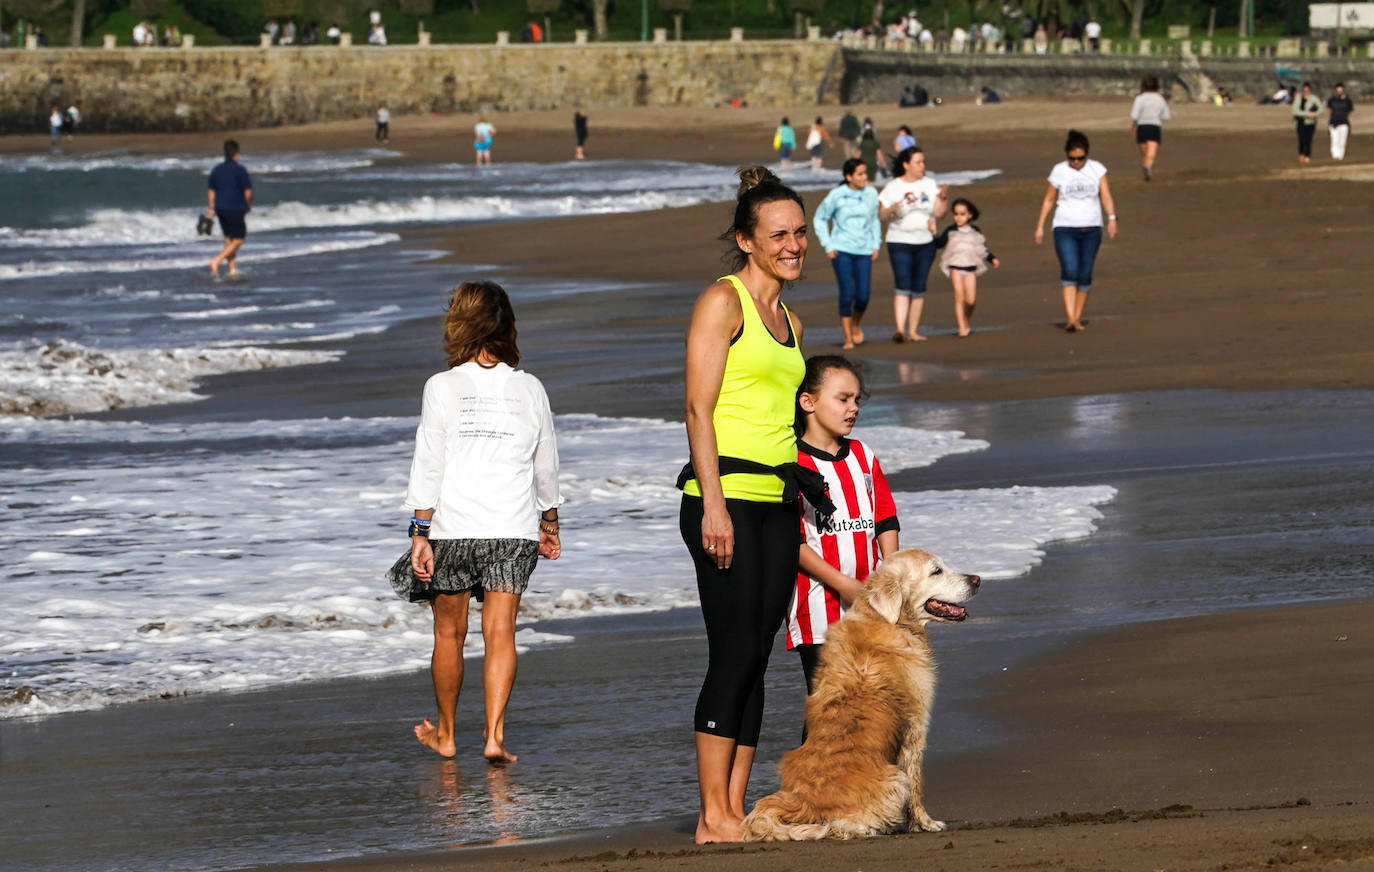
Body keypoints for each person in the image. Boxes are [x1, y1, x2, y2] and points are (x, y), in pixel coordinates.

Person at [679, 166, 809, 844]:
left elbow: (782, 415)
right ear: (747, 241)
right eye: (778, 235)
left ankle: (735, 805)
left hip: (777, 503)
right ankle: (712, 815)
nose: (792, 244)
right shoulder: (722, 301)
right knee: (732, 652)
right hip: (722, 499)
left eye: (798, 233)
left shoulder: (788, 316)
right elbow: (699, 409)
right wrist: (715, 509)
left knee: (760, 654)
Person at [390, 280, 562, 764]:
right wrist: (549, 521)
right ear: (507, 327)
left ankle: (446, 736)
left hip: (453, 528)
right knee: (501, 633)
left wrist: (419, 532)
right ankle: (494, 738)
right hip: (510, 527)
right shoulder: (529, 387)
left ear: (459, 324)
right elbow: (545, 463)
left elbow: (429, 462)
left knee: (449, 635)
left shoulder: (441, 387)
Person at [787, 355, 898, 693]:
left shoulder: (862, 455)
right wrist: (844, 585)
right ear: (808, 401)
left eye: (856, 400)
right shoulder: (792, 462)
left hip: (874, 605)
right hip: (821, 610)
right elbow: (793, 541)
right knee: (831, 711)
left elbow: (885, 518)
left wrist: (889, 573)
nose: (853, 408)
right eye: (842, 399)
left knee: (874, 704)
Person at [1034, 129, 1117, 333]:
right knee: (1070, 270)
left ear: (1087, 154)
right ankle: (1071, 318)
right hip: (1065, 228)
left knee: (1085, 274)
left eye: (1081, 158)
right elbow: (1049, 199)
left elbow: (1105, 195)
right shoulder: (1059, 170)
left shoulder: (1097, 169)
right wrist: (1040, 226)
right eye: (1073, 159)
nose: (1077, 163)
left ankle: (1077, 316)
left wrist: (1112, 218)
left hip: (1092, 228)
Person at [879, 146, 948, 342]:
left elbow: (940, 213)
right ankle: (900, 329)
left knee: (919, 286)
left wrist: (943, 198)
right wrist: (892, 208)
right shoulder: (894, 187)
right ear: (906, 164)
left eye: (923, 161)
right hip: (899, 240)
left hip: (925, 241)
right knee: (903, 284)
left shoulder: (929, 184)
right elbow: (881, 215)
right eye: (918, 162)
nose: (922, 166)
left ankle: (914, 330)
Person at [814, 158, 881, 349]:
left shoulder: (871, 193)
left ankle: (856, 323)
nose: (864, 177)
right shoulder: (837, 195)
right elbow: (820, 218)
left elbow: (874, 220)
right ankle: (848, 338)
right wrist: (827, 244)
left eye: (865, 173)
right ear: (848, 176)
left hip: (864, 250)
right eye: (859, 174)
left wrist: (876, 244)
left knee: (863, 295)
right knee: (847, 294)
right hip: (841, 249)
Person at [935, 197, 999, 337]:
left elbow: (982, 249)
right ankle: (962, 327)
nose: (958, 217)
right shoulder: (951, 230)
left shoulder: (976, 231)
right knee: (959, 297)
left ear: (969, 215)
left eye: (962, 214)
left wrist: (992, 259)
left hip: (970, 268)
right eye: (956, 214)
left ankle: (965, 319)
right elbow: (940, 244)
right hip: (954, 266)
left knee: (971, 301)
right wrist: (933, 233)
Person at [205, 139, 254, 277]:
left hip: (220, 208)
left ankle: (232, 269)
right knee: (239, 239)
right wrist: (248, 205)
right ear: (237, 154)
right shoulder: (240, 170)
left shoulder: (216, 169)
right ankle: (217, 261)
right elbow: (248, 192)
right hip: (236, 207)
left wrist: (211, 207)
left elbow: (211, 190)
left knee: (229, 240)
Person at [1130, 74, 1171, 181]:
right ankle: (1148, 167)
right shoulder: (1160, 99)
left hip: (1142, 127)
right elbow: (1166, 115)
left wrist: (1134, 125)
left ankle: (1146, 167)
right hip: (1154, 126)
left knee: (1144, 152)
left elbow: (1134, 115)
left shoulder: (1139, 98)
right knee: (1151, 150)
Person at [1293, 82, 1322, 164]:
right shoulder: (1298, 98)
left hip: (1311, 122)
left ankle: (1307, 156)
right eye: (1304, 90)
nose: (1306, 91)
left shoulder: (1314, 99)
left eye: (1307, 90)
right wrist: (1306, 114)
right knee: (1301, 140)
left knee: (1308, 140)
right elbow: (1295, 110)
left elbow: (1320, 109)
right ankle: (1301, 154)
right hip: (1300, 122)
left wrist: (1314, 114)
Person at [1327, 82, 1353, 162]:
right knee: (1335, 140)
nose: (1339, 90)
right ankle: (1335, 155)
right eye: (1338, 88)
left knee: (1342, 141)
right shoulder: (1332, 100)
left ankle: (1341, 156)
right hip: (1333, 122)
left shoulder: (1347, 100)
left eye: (1341, 88)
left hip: (1344, 122)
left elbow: (1350, 110)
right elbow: (1329, 110)